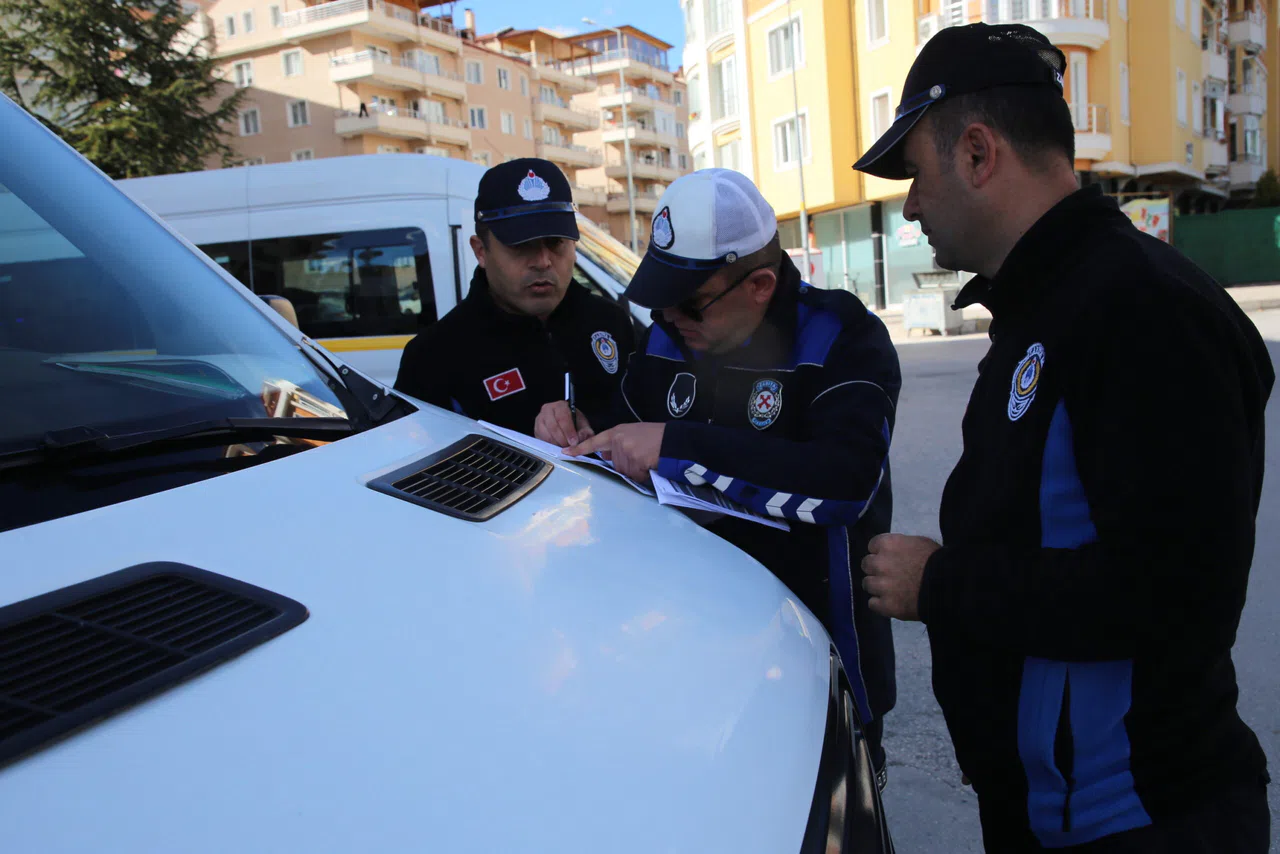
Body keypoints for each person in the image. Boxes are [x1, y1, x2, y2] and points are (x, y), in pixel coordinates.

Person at [853, 22, 1273, 853]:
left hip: (1140, 820)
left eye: (917, 173)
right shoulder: (1047, 303)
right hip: (1057, 815)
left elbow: (1174, 593)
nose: (911, 205)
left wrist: (941, 583)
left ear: (978, 153)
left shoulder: (1142, 307)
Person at [536, 169, 902, 787]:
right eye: (660, 299)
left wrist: (678, 447)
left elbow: (845, 483)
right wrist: (576, 425)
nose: (669, 317)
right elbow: (623, 428)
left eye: (689, 302)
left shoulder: (842, 338)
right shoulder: (667, 339)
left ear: (759, 285)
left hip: (818, 666)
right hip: (686, 658)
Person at [394, 158, 635, 434]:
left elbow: (648, 419)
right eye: (522, 245)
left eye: (556, 242)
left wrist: (594, 426)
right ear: (481, 251)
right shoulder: (433, 357)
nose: (543, 261)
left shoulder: (611, 322)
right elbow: (413, 455)